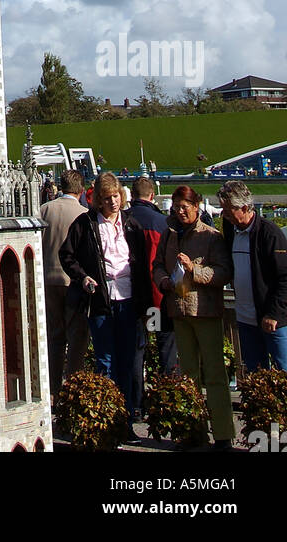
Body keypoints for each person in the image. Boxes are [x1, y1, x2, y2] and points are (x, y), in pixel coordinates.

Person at [59, 171, 149, 425]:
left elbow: (141, 263)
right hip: (100, 299)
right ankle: (109, 418)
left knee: (128, 358)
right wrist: (83, 277)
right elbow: (67, 256)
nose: (113, 202)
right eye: (107, 198)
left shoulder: (131, 225)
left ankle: (127, 416)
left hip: (128, 299)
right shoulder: (85, 224)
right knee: (105, 359)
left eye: (116, 196)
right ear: (98, 200)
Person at [153, 184, 233, 449]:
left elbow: (222, 273)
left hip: (205, 311)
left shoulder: (211, 236)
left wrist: (194, 270)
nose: (179, 212)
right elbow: (158, 266)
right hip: (179, 310)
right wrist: (163, 281)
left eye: (184, 208)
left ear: (196, 207)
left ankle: (222, 435)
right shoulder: (169, 234)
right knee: (188, 377)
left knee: (214, 375)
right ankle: (192, 432)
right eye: (176, 208)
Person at [218, 179, 287, 371]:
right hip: (245, 318)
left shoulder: (270, 234)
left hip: (273, 320)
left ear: (245, 207)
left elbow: (285, 277)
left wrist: (274, 313)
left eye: (229, 209)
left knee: (283, 369)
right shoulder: (230, 229)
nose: (225, 214)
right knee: (255, 373)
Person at [129, 175, 177, 417]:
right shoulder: (162, 222)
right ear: (151, 196)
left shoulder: (124, 220)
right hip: (158, 299)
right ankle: (167, 401)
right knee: (165, 348)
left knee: (138, 351)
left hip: (135, 299)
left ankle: (136, 404)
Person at [40, 168, 90, 397]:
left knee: (54, 336)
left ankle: (53, 388)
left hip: (48, 280)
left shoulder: (45, 210)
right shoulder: (83, 214)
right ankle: (73, 385)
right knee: (77, 336)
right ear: (80, 191)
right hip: (74, 281)